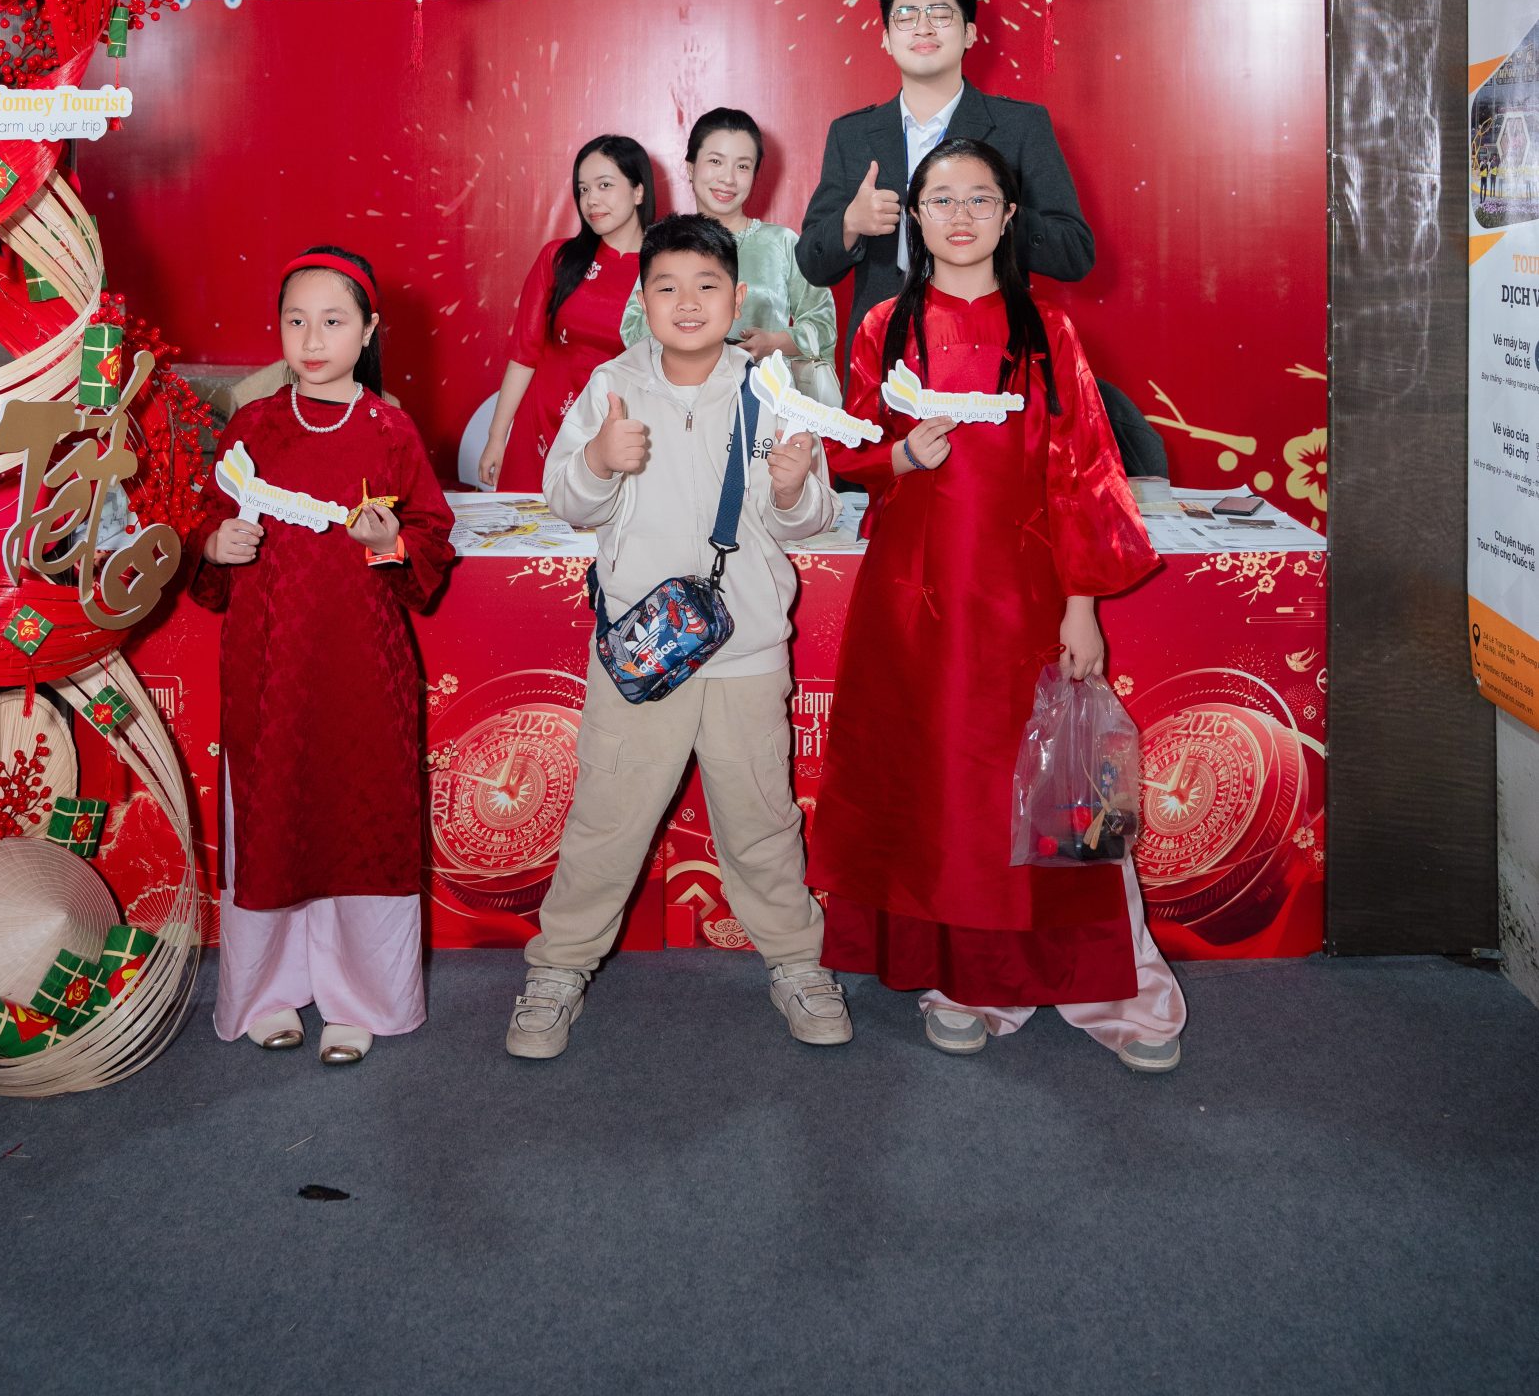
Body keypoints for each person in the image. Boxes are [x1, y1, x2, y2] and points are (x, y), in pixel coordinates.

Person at [811, 141, 1186, 1072]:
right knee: (944, 787)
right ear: (915, 216)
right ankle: (965, 980)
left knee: (1047, 787)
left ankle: (1102, 980)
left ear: (1010, 216)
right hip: (914, 601)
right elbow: (848, 449)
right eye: (940, 199)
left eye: (980, 199)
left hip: (1024, 600)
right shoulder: (884, 324)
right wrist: (900, 457)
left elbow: (1084, 472)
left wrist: (1080, 604)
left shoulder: (1046, 328)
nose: (961, 216)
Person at [504, 213, 852, 1060]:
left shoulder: (771, 388)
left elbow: (808, 518)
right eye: (666, 286)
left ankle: (797, 964)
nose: (687, 302)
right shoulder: (611, 384)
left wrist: (796, 487)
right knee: (606, 820)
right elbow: (567, 499)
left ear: (737, 297)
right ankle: (556, 970)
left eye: (706, 286)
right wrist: (598, 461)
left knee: (762, 821)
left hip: (746, 651)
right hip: (640, 648)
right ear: (642, 299)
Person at [191, 244, 456, 1065]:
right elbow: (204, 523)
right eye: (296, 321)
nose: (312, 340)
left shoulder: (390, 430)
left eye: (333, 321)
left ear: (367, 330)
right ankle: (267, 992)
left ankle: (362, 998)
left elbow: (431, 542)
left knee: (356, 821)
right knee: (273, 819)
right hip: (268, 665)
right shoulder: (252, 428)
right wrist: (216, 545)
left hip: (361, 668)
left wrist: (389, 544)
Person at [796, 0, 1093, 353]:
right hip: (882, 352)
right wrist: (850, 223)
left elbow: (1074, 253)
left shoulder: (1020, 126)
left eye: (939, 14)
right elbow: (812, 264)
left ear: (969, 34)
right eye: (905, 15)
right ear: (886, 38)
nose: (923, 26)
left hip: (990, 349)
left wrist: (996, 214)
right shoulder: (851, 135)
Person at [618, 107, 841, 405]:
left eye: (743, 166)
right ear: (690, 168)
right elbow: (632, 330)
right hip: (678, 402)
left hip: (763, 402)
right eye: (715, 161)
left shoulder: (782, 243)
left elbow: (823, 327)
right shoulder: (667, 243)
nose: (728, 178)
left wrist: (774, 342)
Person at [479, 136, 656, 490]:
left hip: (613, 431)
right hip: (540, 424)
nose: (591, 200)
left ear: (638, 191)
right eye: (583, 189)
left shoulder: (663, 269)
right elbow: (524, 354)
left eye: (605, 185)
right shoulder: (558, 259)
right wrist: (497, 437)